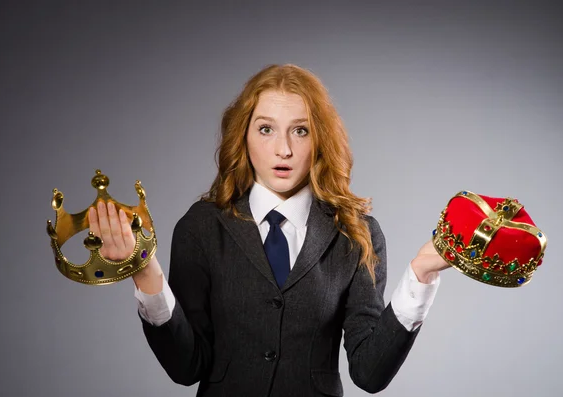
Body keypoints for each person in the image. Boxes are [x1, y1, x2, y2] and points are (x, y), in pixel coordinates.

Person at [88, 64, 450, 396]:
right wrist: (145, 273)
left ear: (320, 139)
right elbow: (187, 367)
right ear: (243, 137)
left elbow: (369, 373)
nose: (284, 149)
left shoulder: (356, 235)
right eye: (266, 129)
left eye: (301, 130)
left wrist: (421, 276)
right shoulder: (201, 227)